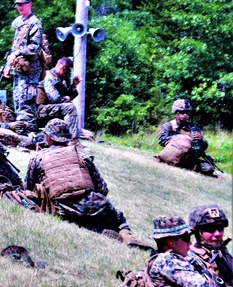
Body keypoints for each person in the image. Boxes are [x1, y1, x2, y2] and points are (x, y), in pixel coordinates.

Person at [23, 119, 150, 247]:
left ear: (48, 138)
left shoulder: (37, 158)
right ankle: (127, 236)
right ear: (67, 138)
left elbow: (28, 187)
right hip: (92, 205)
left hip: (62, 208)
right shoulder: (82, 156)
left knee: (70, 218)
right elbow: (102, 189)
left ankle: (93, 229)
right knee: (117, 216)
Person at [145, 215, 233, 287]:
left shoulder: (177, 259)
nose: (190, 243)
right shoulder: (166, 261)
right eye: (186, 238)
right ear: (170, 242)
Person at [3, 0, 44, 133]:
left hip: (29, 70)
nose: (20, 7)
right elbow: (15, 46)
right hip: (19, 69)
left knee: (27, 102)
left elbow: (35, 47)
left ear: (30, 4)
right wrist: (9, 65)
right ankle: (22, 132)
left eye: (22, 4)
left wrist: (17, 53)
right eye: (18, 5)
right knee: (18, 100)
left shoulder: (34, 23)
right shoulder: (19, 22)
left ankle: (29, 133)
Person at [157, 99, 216, 176]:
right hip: (174, 155)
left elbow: (204, 146)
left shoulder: (193, 128)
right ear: (177, 113)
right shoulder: (169, 126)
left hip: (190, 158)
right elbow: (162, 140)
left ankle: (188, 166)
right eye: (182, 112)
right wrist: (181, 139)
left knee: (209, 168)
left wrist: (200, 139)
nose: (185, 115)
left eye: (187, 112)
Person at [188, 204, 233, 287]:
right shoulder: (190, 261)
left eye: (220, 228)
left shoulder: (223, 254)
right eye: (210, 229)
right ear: (197, 232)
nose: (217, 234)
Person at [38, 57, 81, 139]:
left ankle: (66, 136)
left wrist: (74, 85)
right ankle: (71, 140)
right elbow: (54, 99)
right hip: (41, 110)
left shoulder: (60, 80)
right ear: (63, 68)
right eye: (68, 71)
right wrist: (66, 99)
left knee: (69, 106)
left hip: (49, 109)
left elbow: (68, 95)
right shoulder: (49, 77)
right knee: (70, 108)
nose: (68, 73)